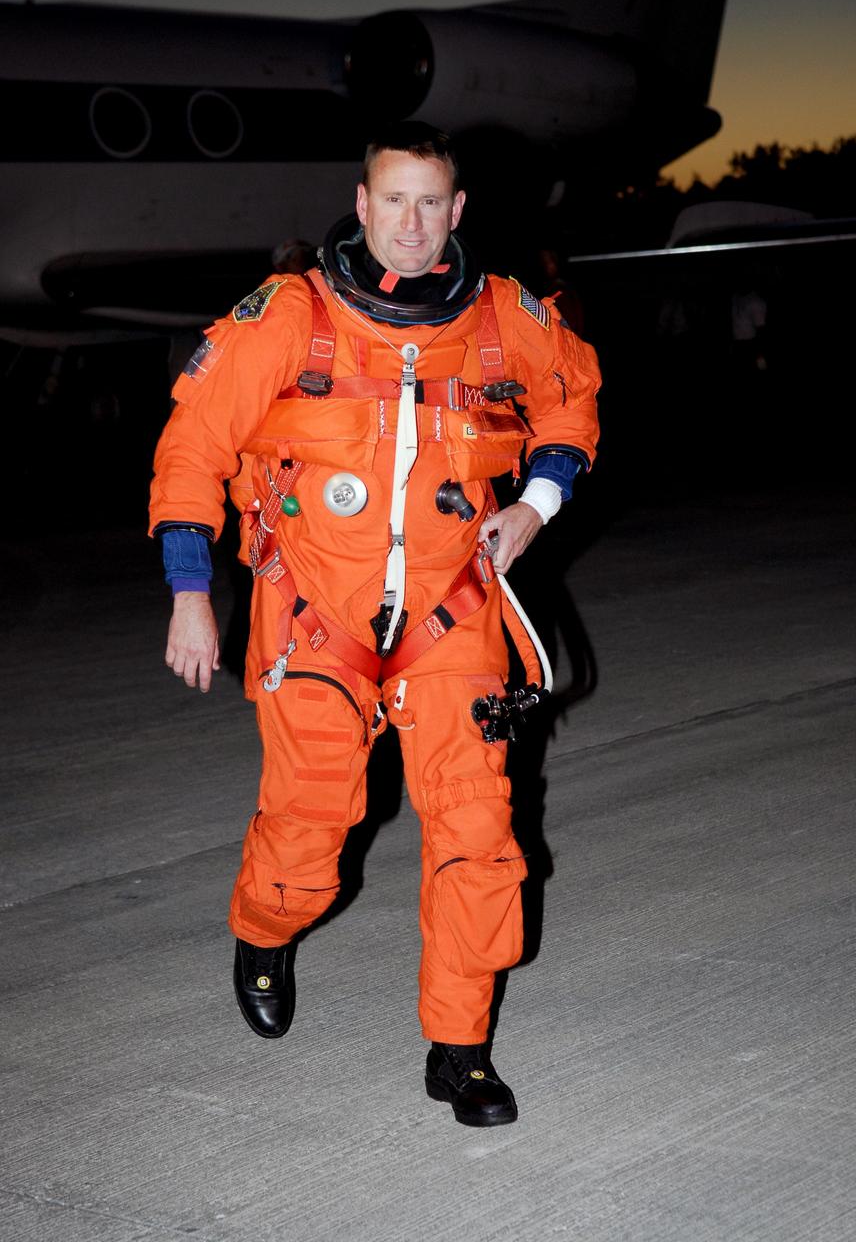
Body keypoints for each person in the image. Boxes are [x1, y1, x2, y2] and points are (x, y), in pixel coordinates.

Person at [149, 123, 600, 1127]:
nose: (411, 223)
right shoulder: (291, 317)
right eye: (393, 200)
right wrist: (189, 590)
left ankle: (461, 1049)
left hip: (454, 614)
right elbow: (193, 446)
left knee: (479, 834)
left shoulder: (502, 318)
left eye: (430, 202)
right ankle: (266, 930)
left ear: (457, 209)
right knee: (311, 833)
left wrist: (535, 504)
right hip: (316, 617)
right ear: (361, 204)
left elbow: (573, 400)